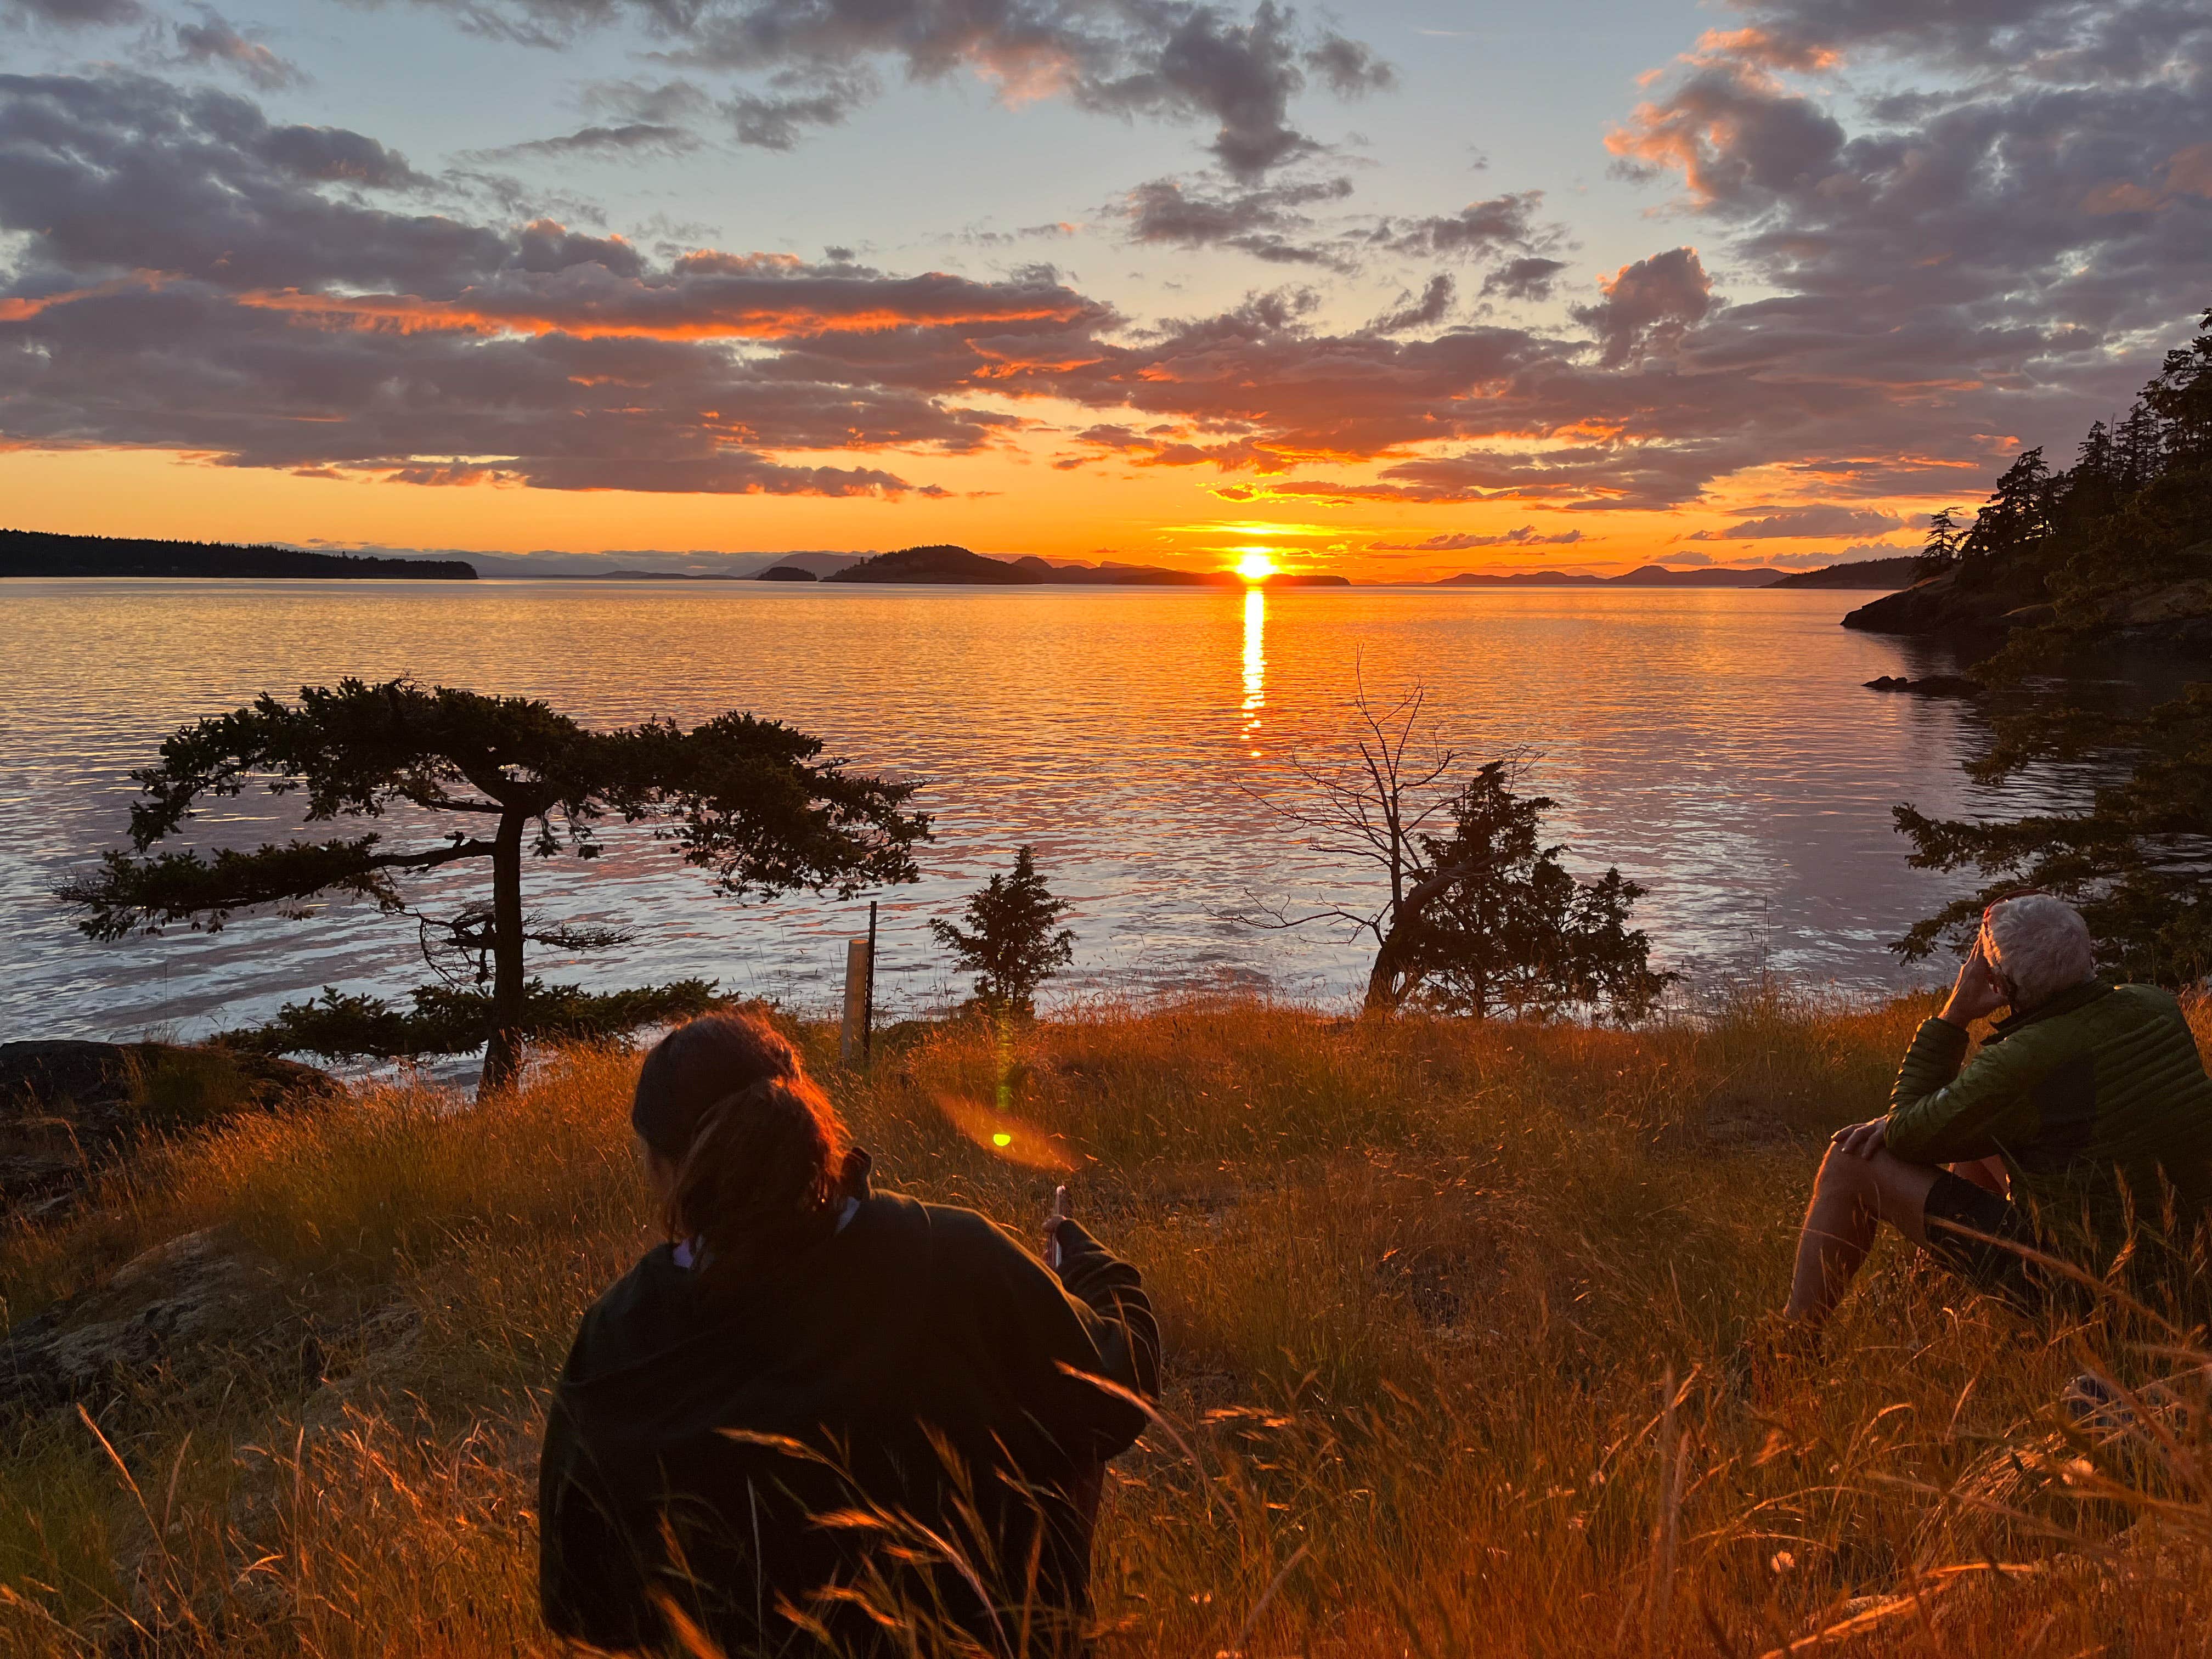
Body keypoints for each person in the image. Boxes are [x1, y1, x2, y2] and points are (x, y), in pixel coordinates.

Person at [538, 1011, 1160, 1657]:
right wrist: (1093, 1271)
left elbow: (581, 1606)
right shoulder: (954, 1259)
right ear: (810, 1124)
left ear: (664, 1169)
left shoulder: (619, 1336)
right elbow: (1116, 1396)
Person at [1781, 893, 2212, 1334]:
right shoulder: (2154, 1004)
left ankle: (1794, 1342)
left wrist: (1955, 1015)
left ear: (2001, 986)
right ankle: (1926, 1294)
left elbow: (1908, 1135)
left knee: (1851, 1160)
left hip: (2093, 1289)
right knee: (1977, 1132)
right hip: (2189, 1264)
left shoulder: (2025, 1061)